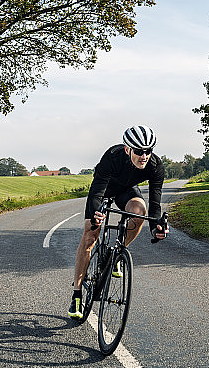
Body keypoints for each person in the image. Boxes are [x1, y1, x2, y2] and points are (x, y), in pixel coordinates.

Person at [68, 125, 168, 320]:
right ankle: (77, 294)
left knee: (140, 212)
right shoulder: (112, 156)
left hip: (126, 191)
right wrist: (95, 215)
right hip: (103, 189)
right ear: (127, 149)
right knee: (90, 235)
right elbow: (96, 192)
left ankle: (116, 252)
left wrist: (155, 227)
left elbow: (155, 204)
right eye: (139, 151)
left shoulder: (155, 166)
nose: (144, 156)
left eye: (148, 151)